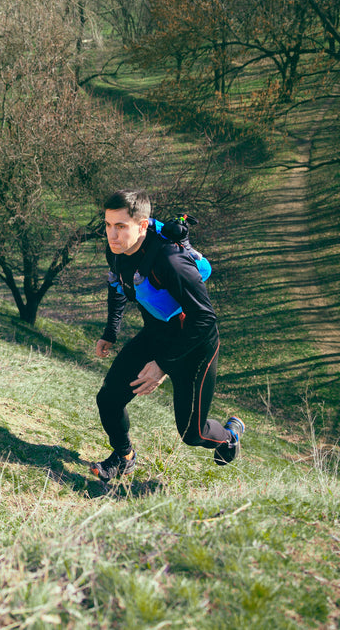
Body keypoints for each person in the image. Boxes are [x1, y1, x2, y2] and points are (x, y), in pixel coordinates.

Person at [90, 189, 244, 481]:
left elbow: (204, 318)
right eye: (108, 225)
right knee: (108, 399)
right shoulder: (117, 250)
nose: (112, 235)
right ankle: (124, 457)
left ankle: (229, 436)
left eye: (121, 226)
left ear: (143, 225)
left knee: (191, 432)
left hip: (197, 344)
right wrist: (111, 331)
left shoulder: (171, 262)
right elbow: (118, 285)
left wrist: (162, 365)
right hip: (157, 332)